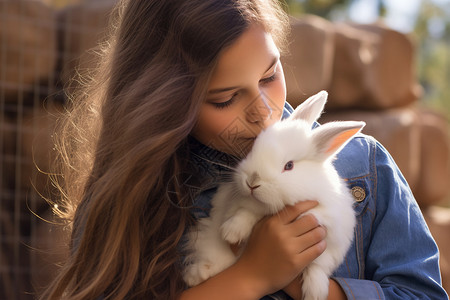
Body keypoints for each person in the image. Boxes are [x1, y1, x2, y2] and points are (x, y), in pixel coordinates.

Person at [42, 0, 448, 299]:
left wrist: (305, 284)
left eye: (270, 75)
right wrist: (252, 275)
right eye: (224, 99)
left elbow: (423, 293)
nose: (263, 113)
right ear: (165, 104)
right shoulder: (132, 193)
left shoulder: (365, 167)